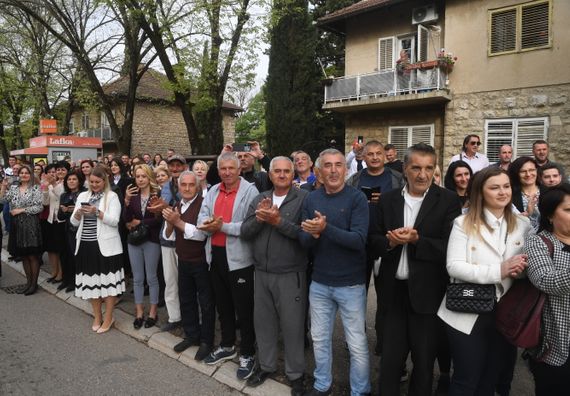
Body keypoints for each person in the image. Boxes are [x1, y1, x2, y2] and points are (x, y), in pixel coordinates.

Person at [369, 143, 462, 396]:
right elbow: (372, 239)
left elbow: (451, 248)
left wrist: (417, 240)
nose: (423, 175)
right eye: (416, 168)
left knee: (423, 363)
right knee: (389, 362)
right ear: (404, 169)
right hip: (393, 295)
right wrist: (390, 241)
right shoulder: (387, 200)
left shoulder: (448, 200)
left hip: (428, 296)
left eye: (429, 168)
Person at [437, 167, 531, 395]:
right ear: (480, 192)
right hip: (466, 312)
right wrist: (499, 270)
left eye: (506, 186)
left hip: (506, 312)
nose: (503, 192)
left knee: (492, 380)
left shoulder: (523, 225)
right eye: (494, 187)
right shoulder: (463, 223)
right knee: (466, 379)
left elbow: (526, 269)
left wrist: (519, 270)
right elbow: (454, 266)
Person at [300, 148, 371, 396]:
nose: (333, 170)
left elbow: (358, 240)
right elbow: (304, 241)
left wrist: (325, 228)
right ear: (319, 171)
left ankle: (360, 391)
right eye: (327, 165)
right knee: (319, 339)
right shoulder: (311, 199)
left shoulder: (357, 198)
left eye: (338, 165)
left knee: (356, 343)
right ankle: (322, 384)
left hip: (350, 283)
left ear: (345, 168)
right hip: (319, 282)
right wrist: (313, 234)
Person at [241, 157, 308, 394]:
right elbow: (245, 231)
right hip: (262, 272)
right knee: (264, 324)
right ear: (269, 175)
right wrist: (260, 218)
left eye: (286, 171)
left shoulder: (304, 199)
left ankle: (296, 374)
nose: (281, 175)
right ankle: (266, 366)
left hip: (290, 273)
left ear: (293, 174)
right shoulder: (260, 198)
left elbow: (306, 236)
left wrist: (279, 222)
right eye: (277, 171)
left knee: (293, 326)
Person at [197, 152, 259, 380]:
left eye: (231, 168)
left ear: (239, 169)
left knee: (243, 308)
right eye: (223, 169)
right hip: (216, 255)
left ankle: (248, 353)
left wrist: (221, 227)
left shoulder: (250, 191)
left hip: (240, 259)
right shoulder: (213, 190)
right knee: (223, 305)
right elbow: (202, 217)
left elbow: (250, 225)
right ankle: (227, 344)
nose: (227, 172)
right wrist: (207, 224)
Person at [162, 171, 214, 361]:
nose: (187, 188)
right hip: (183, 260)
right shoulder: (177, 205)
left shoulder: (204, 204)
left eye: (191, 185)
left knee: (206, 303)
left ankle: (207, 341)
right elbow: (168, 235)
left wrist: (177, 221)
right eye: (183, 185)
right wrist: (170, 223)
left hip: (201, 262)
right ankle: (192, 335)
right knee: (186, 299)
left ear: (198, 186)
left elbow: (201, 234)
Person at [526, 183, 570, 396]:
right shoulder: (539, 242)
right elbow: (546, 280)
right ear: (551, 216)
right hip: (556, 344)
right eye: (568, 210)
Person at [71, 166, 126, 333]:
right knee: (91, 284)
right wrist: (78, 214)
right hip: (85, 245)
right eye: (91, 182)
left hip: (106, 247)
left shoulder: (112, 196)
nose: (94, 185)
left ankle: (109, 317)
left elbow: (115, 221)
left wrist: (97, 212)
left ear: (104, 181)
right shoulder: (82, 195)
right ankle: (97, 315)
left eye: (97, 182)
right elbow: (73, 223)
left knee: (108, 284)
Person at [123, 164, 163, 329]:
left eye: (143, 176)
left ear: (149, 177)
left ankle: (153, 311)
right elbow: (126, 219)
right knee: (138, 279)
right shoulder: (132, 196)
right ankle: (139, 311)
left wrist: (140, 222)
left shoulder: (157, 194)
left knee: (151, 278)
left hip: (152, 240)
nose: (140, 179)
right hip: (134, 241)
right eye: (137, 176)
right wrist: (125, 201)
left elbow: (159, 219)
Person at [0, 165, 43, 295]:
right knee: (24, 255)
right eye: (22, 173)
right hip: (17, 225)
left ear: (30, 175)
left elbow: (39, 207)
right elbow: (2, 200)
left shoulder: (35, 188)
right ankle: (28, 283)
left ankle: (34, 285)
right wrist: (3, 187)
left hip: (30, 224)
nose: (24, 175)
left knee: (32, 255)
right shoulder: (13, 188)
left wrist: (21, 210)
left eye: (26, 173)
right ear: (18, 175)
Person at [42, 161, 70, 288]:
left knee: (61, 249)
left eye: (62, 170)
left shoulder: (68, 182)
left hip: (61, 220)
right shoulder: (53, 183)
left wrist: (53, 184)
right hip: (50, 219)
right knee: (52, 248)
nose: (59, 172)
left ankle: (62, 274)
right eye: (57, 170)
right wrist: (46, 188)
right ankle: (54, 272)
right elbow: (45, 202)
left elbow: (62, 196)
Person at [57, 170, 86, 293]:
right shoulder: (64, 195)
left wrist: (75, 210)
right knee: (66, 255)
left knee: (78, 257)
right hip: (67, 229)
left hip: (82, 229)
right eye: (69, 179)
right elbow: (60, 216)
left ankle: (78, 282)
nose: (71, 181)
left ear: (79, 181)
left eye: (74, 179)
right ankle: (67, 280)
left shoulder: (84, 194)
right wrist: (64, 211)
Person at [509, 156, 543, 231]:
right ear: (516, 174)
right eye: (523, 171)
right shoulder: (509, 195)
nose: (528, 174)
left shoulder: (547, 191)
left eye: (531, 170)